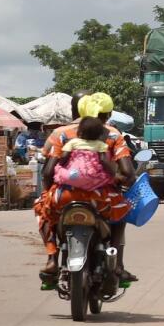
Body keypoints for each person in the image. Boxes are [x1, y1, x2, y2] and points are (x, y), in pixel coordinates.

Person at [34, 92, 136, 281]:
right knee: (122, 214)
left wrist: (50, 193)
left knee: (43, 211)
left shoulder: (61, 134)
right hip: (101, 198)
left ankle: (52, 259)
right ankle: (117, 266)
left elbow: (47, 172)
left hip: (64, 196)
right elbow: (127, 174)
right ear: (109, 113)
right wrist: (115, 179)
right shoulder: (112, 135)